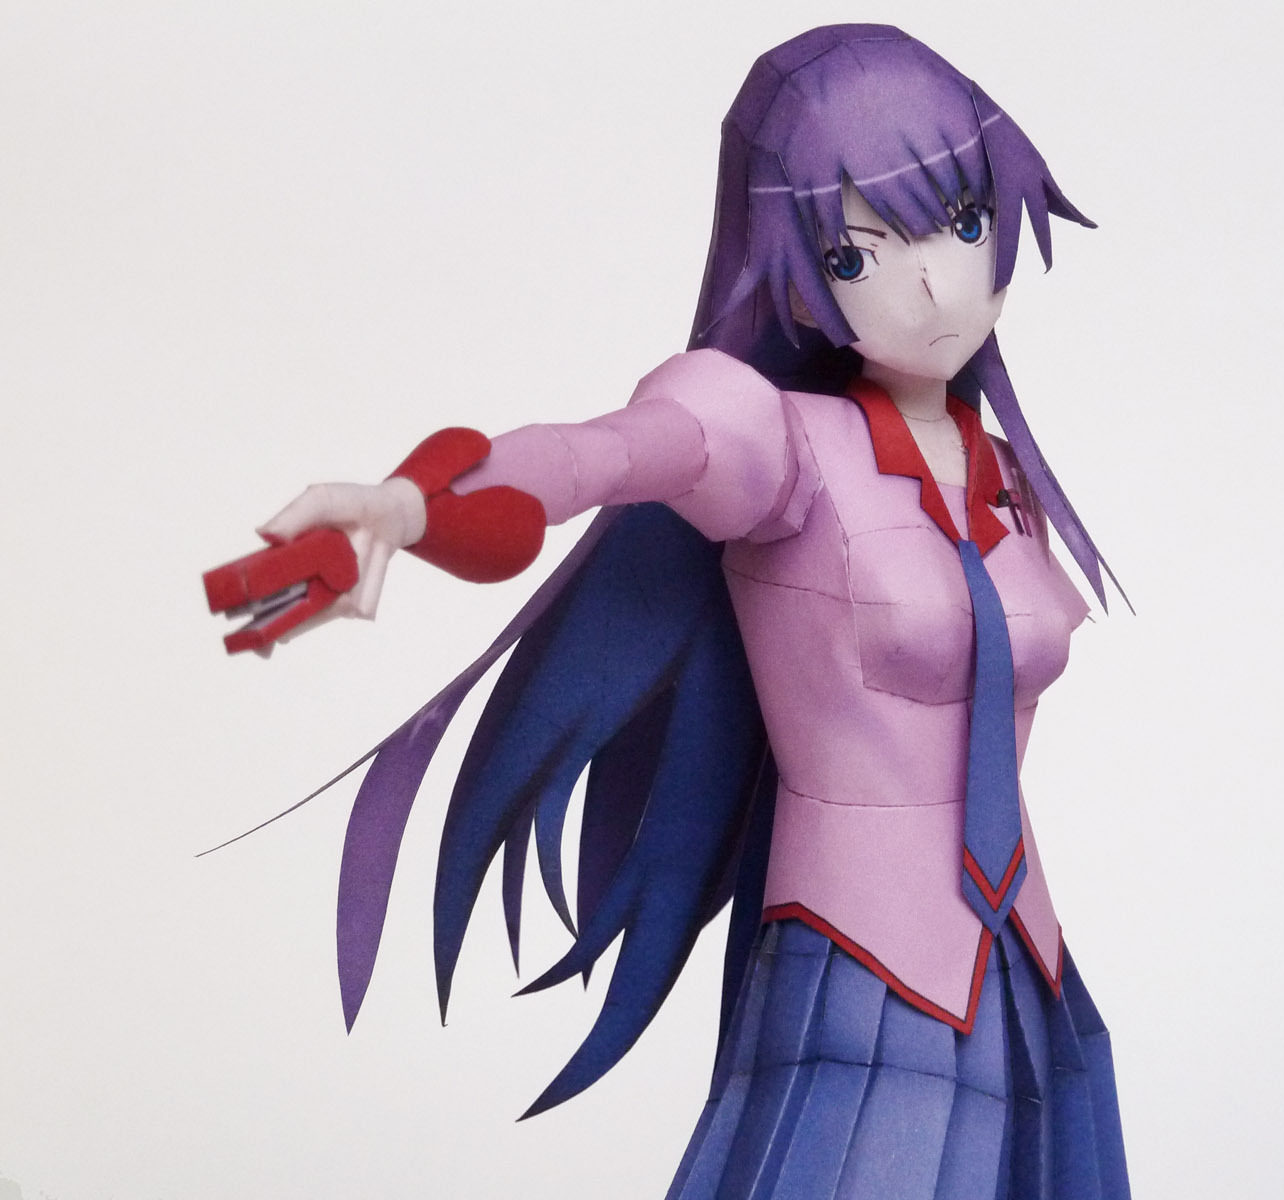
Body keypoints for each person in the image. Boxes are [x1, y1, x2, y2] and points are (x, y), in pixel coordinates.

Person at [247, 23, 1131, 1200]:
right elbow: (613, 453)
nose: (930, 284)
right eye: (861, 249)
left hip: (1021, 958)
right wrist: (416, 505)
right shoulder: (781, 442)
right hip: (862, 961)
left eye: (959, 222)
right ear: (799, 268)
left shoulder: (1004, 475)